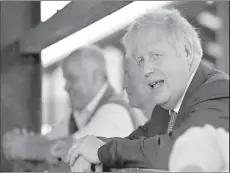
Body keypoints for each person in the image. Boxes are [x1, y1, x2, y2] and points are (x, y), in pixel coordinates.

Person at [63, 8, 229, 171]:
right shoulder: (166, 109)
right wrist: (85, 148)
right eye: (141, 60)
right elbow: (133, 144)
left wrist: (101, 151)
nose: (146, 70)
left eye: (155, 55)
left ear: (186, 51)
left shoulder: (219, 90)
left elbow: (181, 149)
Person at [2, 45, 153, 170]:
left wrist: (25, 147)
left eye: (72, 79)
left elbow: (75, 149)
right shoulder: (80, 114)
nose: (66, 87)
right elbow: (49, 141)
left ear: (95, 77)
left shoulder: (115, 112)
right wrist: (25, 145)